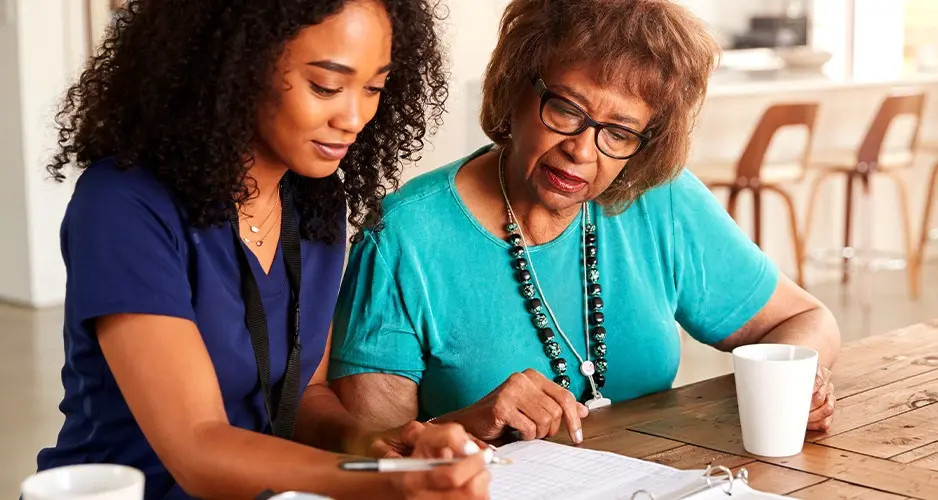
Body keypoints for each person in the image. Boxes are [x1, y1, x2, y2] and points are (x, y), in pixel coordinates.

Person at [328, 0, 841, 447]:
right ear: (515, 90)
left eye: (619, 132)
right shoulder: (404, 237)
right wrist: (468, 424)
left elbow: (804, 319)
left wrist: (800, 379)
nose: (581, 150)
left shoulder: (658, 200)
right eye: (567, 110)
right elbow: (373, 455)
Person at [35, 1, 489, 498]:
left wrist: (375, 445)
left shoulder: (315, 203)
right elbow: (197, 447)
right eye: (326, 86)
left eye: (375, 87)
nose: (355, 117)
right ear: (236, 64)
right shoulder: (123, 207)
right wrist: (380, 483)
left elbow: (304, 394)